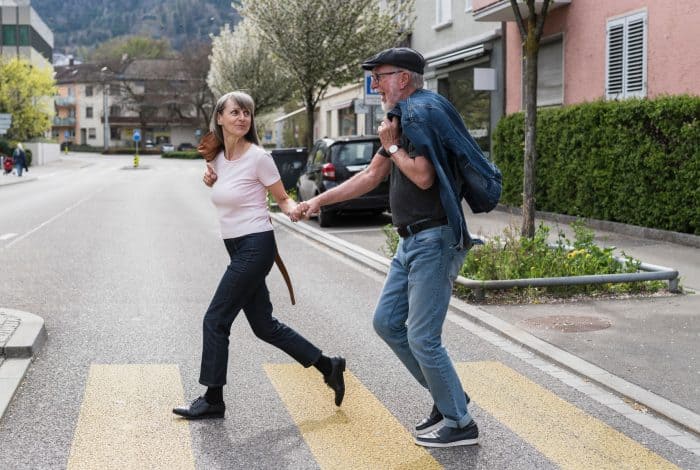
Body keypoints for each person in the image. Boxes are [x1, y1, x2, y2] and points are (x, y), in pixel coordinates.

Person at [292, 48, 479, 448]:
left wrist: (393, 146)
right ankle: (449, 399)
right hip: (411, 240)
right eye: (374, 78)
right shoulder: (402, 117)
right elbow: (372, 175)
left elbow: (425, 177)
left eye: (380, 77)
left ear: (404, 79)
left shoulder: (420, 114)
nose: (374, 84)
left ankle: (461, 423)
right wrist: (318, 201)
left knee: (423, 337)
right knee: (387, 323)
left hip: (434, 238)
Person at [174, 91, 346, 420]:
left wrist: (297, 209)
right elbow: (226, 190)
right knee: (264, 326)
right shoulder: (215, 156)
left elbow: (282, 199)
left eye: (247, 113)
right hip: (236, 246)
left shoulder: (259, 158)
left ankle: (213, 399)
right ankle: (329, 366)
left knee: (215, 319)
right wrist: (210, 180)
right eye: (235, 112)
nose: (242, 118)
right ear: (220, 117)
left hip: (256, 245)